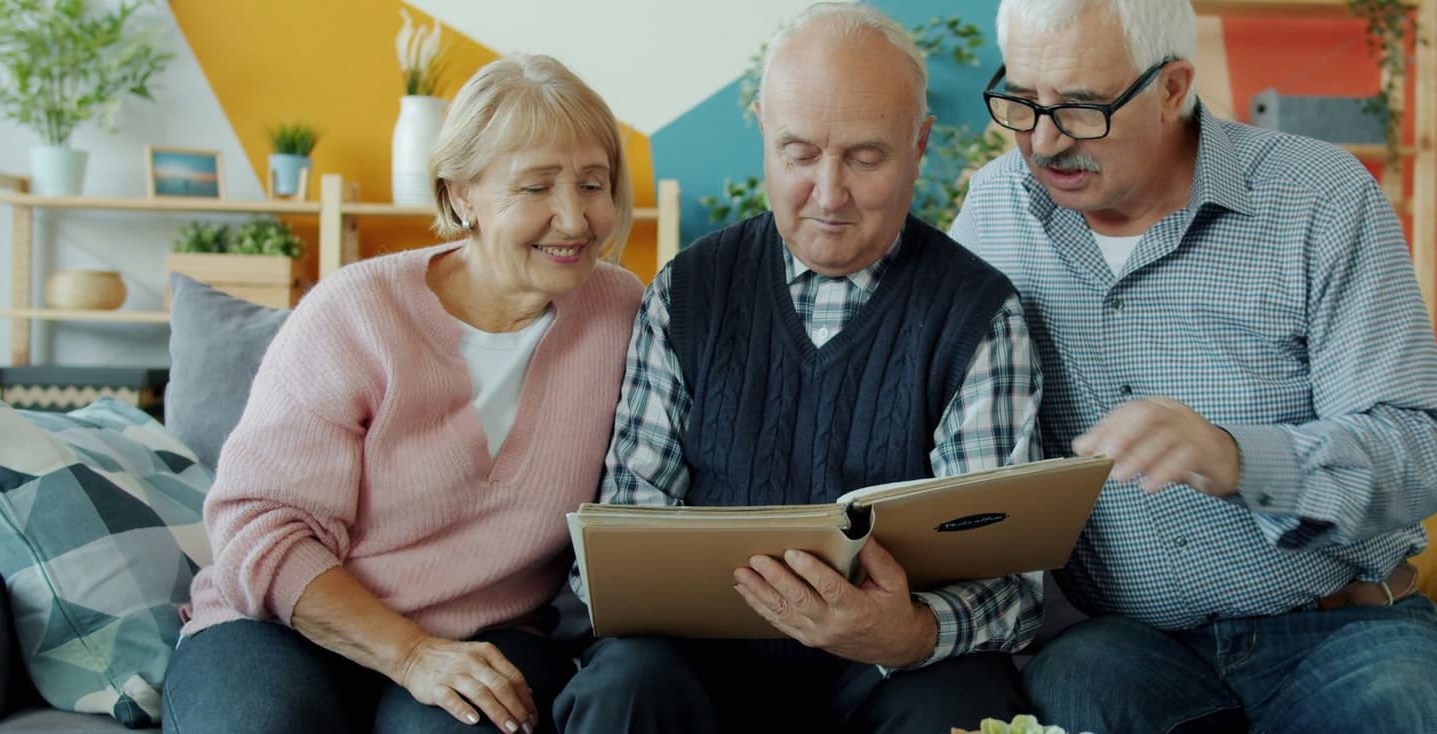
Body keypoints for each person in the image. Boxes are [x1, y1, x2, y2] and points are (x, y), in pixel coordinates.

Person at [949, 1, 1437, 732]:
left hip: (1344, 626)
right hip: (1128, 648)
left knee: (1412, 708)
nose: (1044, 141)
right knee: (1070, 688)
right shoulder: (994, 212)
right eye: (1022, 100)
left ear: (1172, 88)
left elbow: (1425, 452)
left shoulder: (1321, 197)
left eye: (1080, 108)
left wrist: (1238, 459)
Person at [551, 4, 1045, 733]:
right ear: (763, 133)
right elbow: (626, 533)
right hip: (699, 671)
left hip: (887, 677)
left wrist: (909, 632)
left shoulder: (978, 315)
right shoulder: (687, 292)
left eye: (866, 158)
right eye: (800, 154)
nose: (830, 193)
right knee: (623, 685)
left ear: (919, 145)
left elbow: (1009, 584)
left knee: (964, 703)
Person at [162, 54, 644, 734]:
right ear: (461, 194)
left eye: (593, 184)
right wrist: (410, 653)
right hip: (285, 625)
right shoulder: (355, 313)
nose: (574, 218)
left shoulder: (622, 313)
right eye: (536, 187)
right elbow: (258, 530)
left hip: (486, 635)